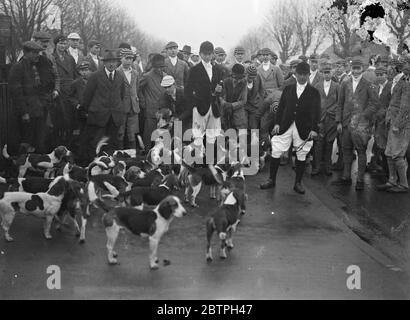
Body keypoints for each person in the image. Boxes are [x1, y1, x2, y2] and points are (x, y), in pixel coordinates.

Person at [260, 61, 321, 194]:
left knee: (301, 153)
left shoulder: (314, 92)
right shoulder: (288, 89)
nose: (302, 77)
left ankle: (298, 183)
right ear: (295, 74)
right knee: (276, 149)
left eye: (305, 74)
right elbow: (281, 108)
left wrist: (314, 129)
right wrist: (277, 123)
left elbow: (317, 112)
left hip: (304, 127)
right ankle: (271, 179)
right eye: (300, 74)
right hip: (286, 125)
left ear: (309, 75)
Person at [332, 58, 380, 191]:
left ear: (362, 69)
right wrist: (339, 121)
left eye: (358, 68)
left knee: (361, 151)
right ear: (351, 68)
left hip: (361, 125)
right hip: (346, 123)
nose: (355, 71)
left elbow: (375, 104)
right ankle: (346, 177)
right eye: (354, 68)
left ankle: (359, 180)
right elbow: (340, 103)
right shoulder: (345, 83)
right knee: (346, 150)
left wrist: (364, 115)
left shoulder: (368, 84)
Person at [81, 50, 125, 162]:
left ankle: (108, 165)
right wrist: (86, 110)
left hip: (114, 116)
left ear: (117, 63)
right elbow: (87, 95)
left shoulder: (120, 76)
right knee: (95, 143)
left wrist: (118, 109)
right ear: (104, 63)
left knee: (111, 143)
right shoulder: (95, 76)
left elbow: (122, 94)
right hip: (98, 116)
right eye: (108, 62)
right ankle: (93, 165)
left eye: (114, 62)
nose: (111, 64)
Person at [8, 42, 52, 153]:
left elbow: (44, 86)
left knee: (39, 141)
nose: (37, 55)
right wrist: (24, 112)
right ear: (25, 53)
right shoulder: (18, 68)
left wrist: (45, 102)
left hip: (40, 110)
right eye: (34, 53)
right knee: (26, 141)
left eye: (38, 52)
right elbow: (16, 93)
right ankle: (22, 167)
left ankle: (36, 167)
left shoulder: (38, 66)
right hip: (27, 112)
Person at [377, 58, 410, 193]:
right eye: (405, 64)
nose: (405, 66)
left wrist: (398, 124)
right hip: (393, 121)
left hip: (401, 124)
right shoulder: (403, 79)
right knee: (389, 153)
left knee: (397, 154)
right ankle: (392, 180)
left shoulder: (407, 82)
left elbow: (406, 107)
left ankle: (403, 184)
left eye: (407, 64)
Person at [183, 41, 224, 147]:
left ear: (213, 54)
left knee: (211, 136)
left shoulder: (218, 69)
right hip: (200, 108)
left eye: (209, 54)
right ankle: (198, 161)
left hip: (214, 107)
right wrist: (195, 104)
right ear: (200, 54)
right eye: (205, 54)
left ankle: (209, 163)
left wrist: (219, 91)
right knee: (198, 135)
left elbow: (221, 90)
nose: (207, 56)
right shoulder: (194, 70)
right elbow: (187, 91)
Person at [312, 62, 340, 176]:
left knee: (329, 142)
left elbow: (339, 103)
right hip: (320, 118)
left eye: (328, 72)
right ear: (322, 73)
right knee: (318, 143)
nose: (327, 75)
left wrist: (336, 116)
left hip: (332, 119)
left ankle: (327, 166)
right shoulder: (317, 86)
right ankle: (317, 166)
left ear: (332, 72)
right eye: (325, 72)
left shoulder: (337, 86)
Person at [52, 35, 77, 147]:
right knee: (59, 120)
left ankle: (68, 145)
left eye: (64, 43)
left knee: (70, 120)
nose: (63, 46)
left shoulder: (70, 58)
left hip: (70, 92)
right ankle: (58, 145)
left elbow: (75, 74)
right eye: (60, 43)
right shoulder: (52, 57)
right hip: (58, 92)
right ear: (56, 44)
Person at [367, 66, 391, 176]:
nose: (380, 77)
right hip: (377, 120)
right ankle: (376, 164)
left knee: (384, 145)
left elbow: (392, 105)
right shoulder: (376, 87)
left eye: (382, 74)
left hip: (386, 121)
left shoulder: (390, 87)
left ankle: (385, 170)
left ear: (386, 74)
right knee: (377, 142)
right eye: (378, 75)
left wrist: (384, 113)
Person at [139, 54, 166, 148]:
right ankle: (146, 156)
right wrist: (143, 102)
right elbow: (138, 89)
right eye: (158, 67)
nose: (160, 69)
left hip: (163, 113)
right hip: (150, 111)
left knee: (161, 138)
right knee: (148, 137)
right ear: (153, 67)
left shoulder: (165, 76)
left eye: (162, 67)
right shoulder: (147, 76)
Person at [117, 48, 141, 150]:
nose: (129, 61)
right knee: (120, 132)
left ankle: (132, 155)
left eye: (131, 59)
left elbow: (137, 87)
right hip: (122, 107)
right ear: (121, 59)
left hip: (133, 106)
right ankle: (119, 154)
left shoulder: (135, 73)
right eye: (126, 58)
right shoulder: (117, 72)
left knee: (132, 133)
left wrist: (135, 99)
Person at [68, 61, 90, 156]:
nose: (85, 72)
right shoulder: (75, 83)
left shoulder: (93, 81)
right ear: (79, 72)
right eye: (82, 70)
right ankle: (80, 153)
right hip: (80, 112)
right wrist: (76, 104)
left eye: (86, 70)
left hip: (91, 111)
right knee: (81, 133)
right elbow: (70, 97)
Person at [220, 64, 247, 131]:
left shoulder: (244, 83)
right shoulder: (225, 82)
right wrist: (224, 104)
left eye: (240, 78)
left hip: (238, 114)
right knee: (223, 133)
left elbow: (243, 100)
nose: (238, 80)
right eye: (236, 78)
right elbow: (220, 96)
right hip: (224, 111)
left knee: (240, 135)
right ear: (232, 75)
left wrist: (231, 105)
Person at [244, 65, 262, 131]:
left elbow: (261, 90)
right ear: (246, 74)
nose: (251, 79)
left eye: (253, 77)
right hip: (243, 106)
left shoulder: (258, 77)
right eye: (249, 77)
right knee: (243, 125)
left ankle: (255, 141)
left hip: (254, 105)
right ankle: (243, 141)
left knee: (254, 126)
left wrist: (259, 101)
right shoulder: (241, 80)